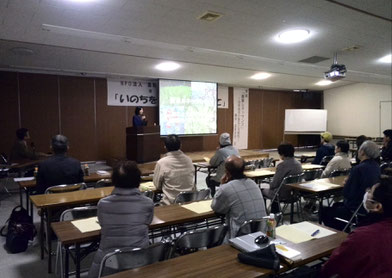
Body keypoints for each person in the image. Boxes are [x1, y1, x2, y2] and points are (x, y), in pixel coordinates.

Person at [88, 161, 154, 278]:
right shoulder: (148, 203)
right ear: (138, 180)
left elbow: (103, 224)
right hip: (140, 258)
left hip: (109, 260)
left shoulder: (103, 204)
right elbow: (147, 222)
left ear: (114, 181)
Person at [319, 176, 392, 278]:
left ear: (377, 206)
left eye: (370, 192)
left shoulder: (364, 236)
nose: (367, 193)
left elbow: (331, 268)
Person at [321, 140, 381, 230]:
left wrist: (347, 184)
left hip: (356, 207)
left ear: (362, 152)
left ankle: (340, 234)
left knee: (324, 211)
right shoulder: (376, 166)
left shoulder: (358, 169)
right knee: (335, 206)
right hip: (369, 206)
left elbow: (347, 194)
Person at [211, 155, 267, 239]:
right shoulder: (253, 183)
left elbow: (216, 207)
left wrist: (222, 185)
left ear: (227, 172)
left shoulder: (226, 188)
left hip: (240, 237)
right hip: (261, 233)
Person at [153, 134, 194, 205]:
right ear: (181, 145)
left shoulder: (161, 163)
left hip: (170, 204)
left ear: (165, 147)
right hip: (189, 202)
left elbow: (157, 185)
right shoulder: (189, 160)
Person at [261, 143, 303, 212]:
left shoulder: (282, 165)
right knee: (276, 190)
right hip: (295, 194)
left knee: (262, 190)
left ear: (282, 154)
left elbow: (274, 185)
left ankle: (270, 213)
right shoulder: (298, 164)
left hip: (282, 195)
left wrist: (268, 183)